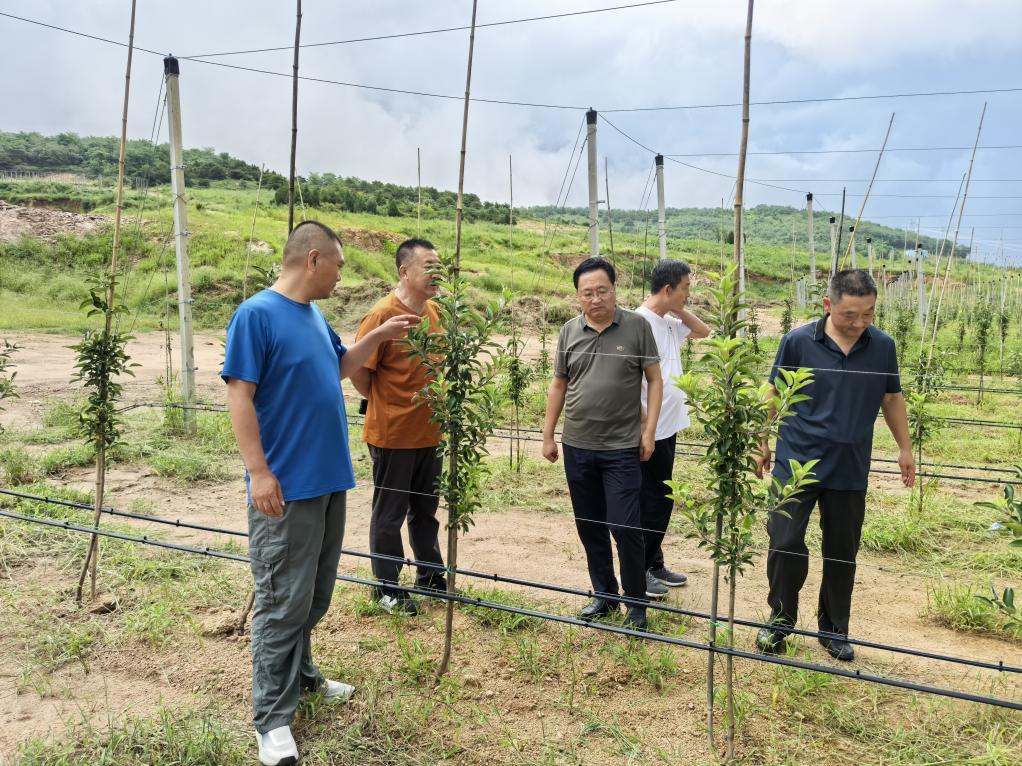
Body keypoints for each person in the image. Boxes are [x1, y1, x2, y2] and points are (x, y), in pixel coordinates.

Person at [223, 221, 420, 766]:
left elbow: (337, 367)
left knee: (313, 595)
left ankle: (304, 677)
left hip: (329, 480)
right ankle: (272, 720)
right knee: (282, 601)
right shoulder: (257, 315)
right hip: (287, 487)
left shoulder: (313, 315)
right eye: (338, 264)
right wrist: (259, 472)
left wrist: (377, 338)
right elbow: (240, 395)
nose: (341, 275)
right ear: (313, 259)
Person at [754, 268, 915, 661]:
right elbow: (772, 390)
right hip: (796, 463)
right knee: (785, 542)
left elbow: (891, 398)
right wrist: (761, 439)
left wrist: (905, 449)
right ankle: (780, 620)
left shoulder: (883, 346)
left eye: (868, 314)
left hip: (849, 465)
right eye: (849, 315)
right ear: (828, 305)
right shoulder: (797, 342)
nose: (859, 323)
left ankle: (834, 629)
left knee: (842, 550)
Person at [542, 257, 663, 630]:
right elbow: (559, 384)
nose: (595, 299)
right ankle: (604, 595)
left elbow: (655, 380)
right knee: (589, 525)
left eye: (602, 291)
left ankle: (636, 603)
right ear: (578, 296)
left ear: (614, 290)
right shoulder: (569, 331)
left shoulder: (637, 326)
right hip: (578, 446)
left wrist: (649, 431)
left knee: (625, 526)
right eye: (587, 293)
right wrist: (548, 434)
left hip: (622, 449)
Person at [350, 238, 446, 616]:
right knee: (389, 514)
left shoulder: (436, 313)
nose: (437, 274)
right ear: (405, 271)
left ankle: (431, 576)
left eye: (439, 266)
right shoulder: (381, 316)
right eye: (429, 266)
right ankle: (387, 588)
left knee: (426, 510)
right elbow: (359, 371)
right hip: (393, 434)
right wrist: (386, 402)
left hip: (430, 432)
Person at [635, 260, 711, 599]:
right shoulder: (638, 323)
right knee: (649, 502)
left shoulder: (667, 322)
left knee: (661, 497)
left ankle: (654, 561)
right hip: (649, 431)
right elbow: (629, 379)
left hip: (668, 428)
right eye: (685, 289)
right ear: (668, 289)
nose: (688, 295)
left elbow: (703, 331)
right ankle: (638, 568)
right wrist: (644, 427)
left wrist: (676, 308)